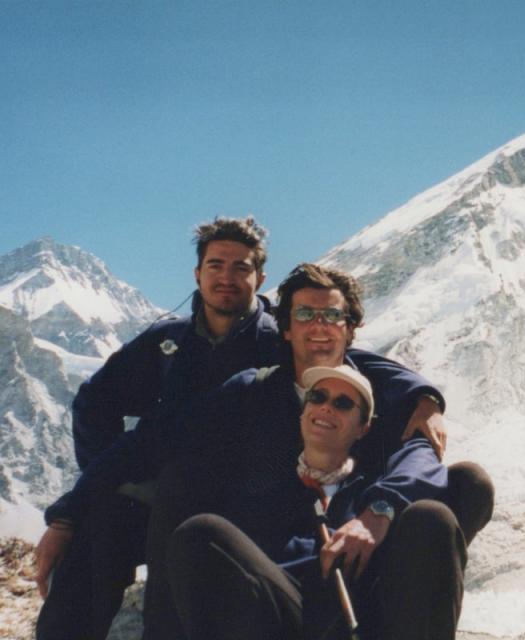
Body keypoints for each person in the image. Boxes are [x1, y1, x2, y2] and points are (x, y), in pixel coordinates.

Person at [33, 219, 449, 640]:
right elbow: (116, 416)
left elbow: (351, 361)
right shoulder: (172, 342)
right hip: (183, 487)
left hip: (257, 499)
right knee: (103, 521)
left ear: (259, 279)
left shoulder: (280, 342)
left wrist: (423, 396)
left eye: (240, 268)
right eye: (216, 265)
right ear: (197, 274)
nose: (226, 278)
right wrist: (74, 506)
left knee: (450, 500)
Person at [142, 264, 493, 639]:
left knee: (449, 500)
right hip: (281, 586)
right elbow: (170, 443)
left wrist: (379, 510)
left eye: (332, 315)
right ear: (287, 328)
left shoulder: (380, 393)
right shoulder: (250, 394)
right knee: (191, 506)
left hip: (367, 575)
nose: (320, 326)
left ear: (349, 329)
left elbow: (421, 450)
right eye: (306, 314)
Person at [167, 365, 456, 639]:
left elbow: (427, 463)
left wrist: (378, 511)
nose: (326, 407)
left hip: (367, 619)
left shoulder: (373, 488)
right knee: (202, 532)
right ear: (303, 413)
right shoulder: (261, 486)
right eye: (316, 397)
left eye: (343, 404)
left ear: (363, 428)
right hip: (286, 614)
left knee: (433, 516)